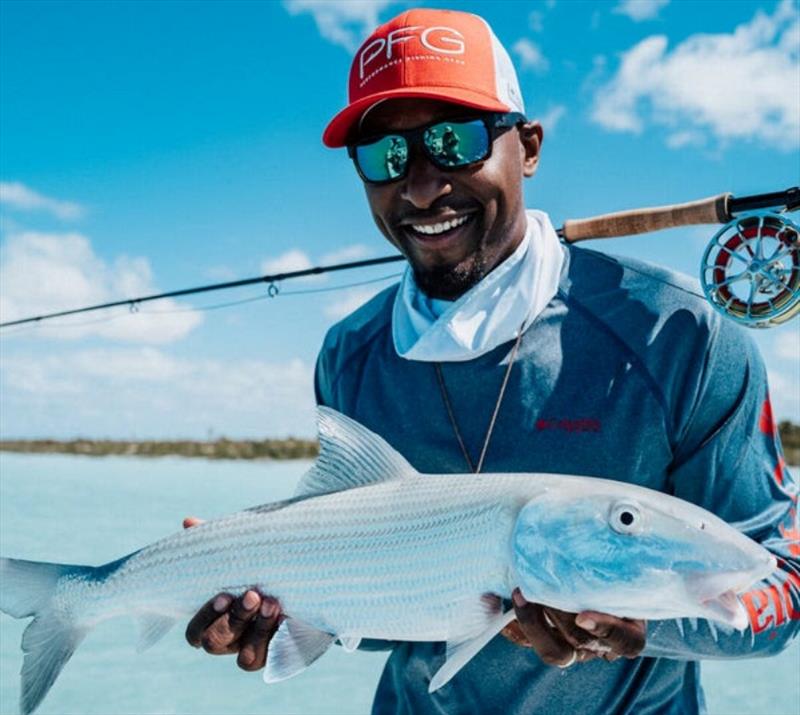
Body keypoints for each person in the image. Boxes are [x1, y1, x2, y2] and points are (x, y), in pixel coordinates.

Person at [183, 8, 799, 714]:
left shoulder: (679, 335)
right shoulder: (350, 354)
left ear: (528, 147)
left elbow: (782, 576)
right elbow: (394, 605)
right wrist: (292, 603)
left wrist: (636, 621)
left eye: (454, 140)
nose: (419, 186)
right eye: (385, 156)